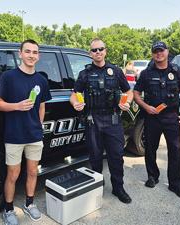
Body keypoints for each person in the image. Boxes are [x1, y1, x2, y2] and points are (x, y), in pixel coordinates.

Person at [0, 39, 52, 225]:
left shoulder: (41, 80)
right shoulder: (8, 77)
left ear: (38, 56)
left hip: (34, 135)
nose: (31, 55)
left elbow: (41, 107)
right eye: (27, 51)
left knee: (33, 172)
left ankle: (29, 204)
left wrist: (38, 125)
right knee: (13, 174)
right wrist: (16, 106)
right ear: (20, 53)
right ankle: (9, 209)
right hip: (14, 135)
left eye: (35, 52)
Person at [70, 38, 133, 204]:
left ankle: (118, 188)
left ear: (105, 51)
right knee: (95, 157)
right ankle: (96, 186)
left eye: (100, 49)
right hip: (93, 120)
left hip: (113, 119)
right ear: (90, 53)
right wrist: (75, 102)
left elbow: (129, 91)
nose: (97, 52)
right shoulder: (84, 74)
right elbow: (74, 93)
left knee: (116, 156)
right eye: (94, 50)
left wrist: (127, 102)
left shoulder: (116, 71)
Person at [133, 41, 180, 198]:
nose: (159, 53)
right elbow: (136, 93)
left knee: (174, 150)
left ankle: (176, 184)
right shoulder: (146, 73)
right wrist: (145, 107)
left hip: (171, 117)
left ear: (167, 52)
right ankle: (152, 176)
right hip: (152, 117)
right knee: (150, 149)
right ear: (152, 54)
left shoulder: (177, 71)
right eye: (155, 51)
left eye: (161, 50)